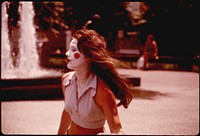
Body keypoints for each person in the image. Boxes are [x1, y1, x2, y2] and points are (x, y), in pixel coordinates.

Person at [57, 29, 133, 135]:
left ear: (87, 56)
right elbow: (68, 111)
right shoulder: (66, 81)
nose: (67, 53)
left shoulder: (103, 92)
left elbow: (117, 129)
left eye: (73, 50)